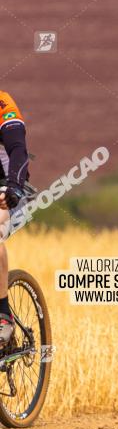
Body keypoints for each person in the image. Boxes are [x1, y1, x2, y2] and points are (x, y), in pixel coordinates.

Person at [0, 91, 30, 348]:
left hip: (8, 193)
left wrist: (14, 188)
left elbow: (18, 150)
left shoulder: (2, 102)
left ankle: (3, 317)